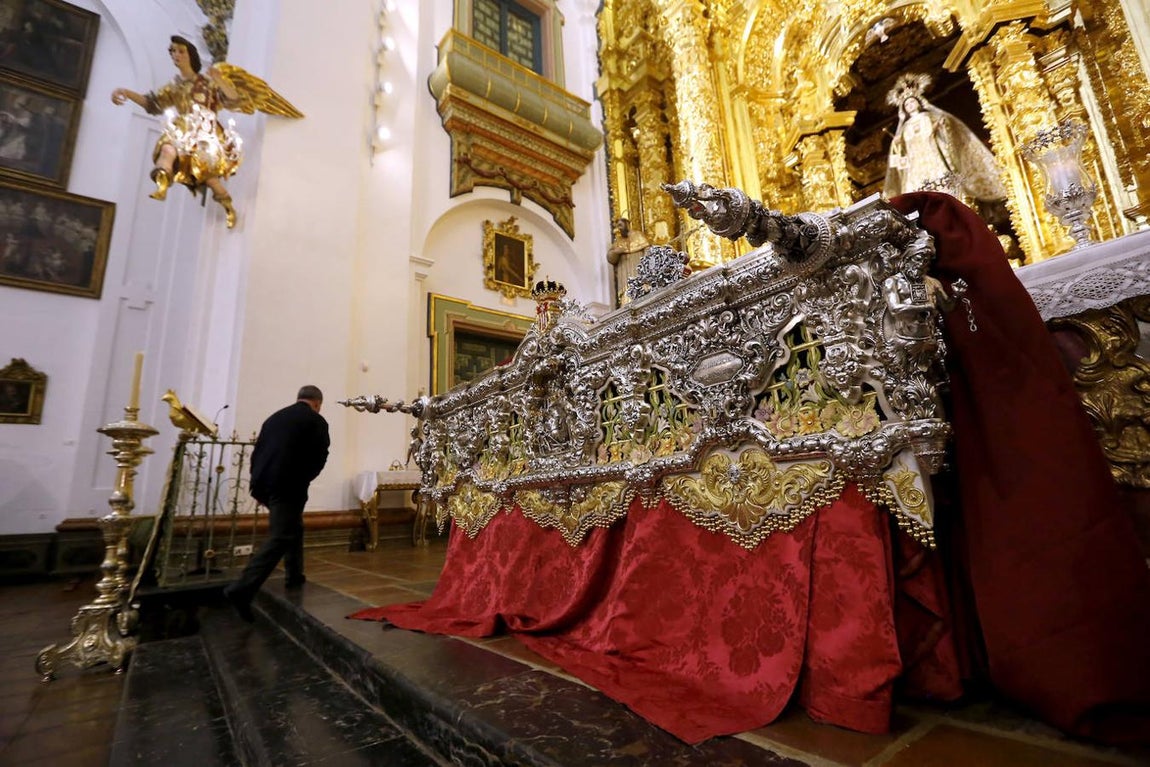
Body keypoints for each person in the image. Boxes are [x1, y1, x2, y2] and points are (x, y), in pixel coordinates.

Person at [223, 385, 330, 621]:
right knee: (281, 536)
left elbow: (257, 452)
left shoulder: (275, 418)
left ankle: (294, 575)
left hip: (264, 483)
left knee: (293, 527)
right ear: (317, 403)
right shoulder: (315, 421)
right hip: (289, 484)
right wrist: (305, 477)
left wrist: (258, 485)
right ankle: (242, 589)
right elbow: (320, 456)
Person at [112, 36, 243, 227]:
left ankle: (229, 207)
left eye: (180, 51)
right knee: (167, 150)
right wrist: (126, 92)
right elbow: (152, 104)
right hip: (182, 130)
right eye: (172, 51)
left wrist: (220, 80)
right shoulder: (173, 87)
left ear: (190, 55)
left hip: (205, 132)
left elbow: (234, 99)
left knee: (211, 180)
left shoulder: (206, 83)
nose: (176, 55)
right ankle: (163, 184)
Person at [883, 73, 1006, 207]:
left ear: (919, 102)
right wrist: (897, 144)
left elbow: (939, 132)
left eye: (912, 101)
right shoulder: (905, 127)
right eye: (907, 104)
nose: (910, 105)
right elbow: (902, 148)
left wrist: (939, 127)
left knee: (944, 182)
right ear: (904, 109)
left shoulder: (927, 117)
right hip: (915, 162)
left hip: (932, 156)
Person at [605, 217, 650, 305]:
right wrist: (615, 252)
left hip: (638, 267)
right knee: (626, 296)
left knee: (642, 292)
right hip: (625, 273)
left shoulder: (638, 235)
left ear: (627, 224)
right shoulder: (618, 241)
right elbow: (610, 258)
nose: (619, 228)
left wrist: (646, 266)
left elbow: (647, 249)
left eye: (621, 225)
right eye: (618, 226)